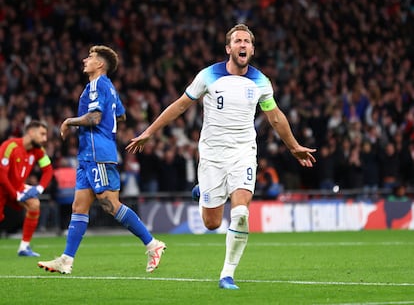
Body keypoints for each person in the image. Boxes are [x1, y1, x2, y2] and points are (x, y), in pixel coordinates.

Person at [126, 24, 316, 289]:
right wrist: (149, 132)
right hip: (213, 155)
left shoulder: (260, 81)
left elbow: (275, 117)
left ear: (252, 49)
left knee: (240, 214)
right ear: (229, 48)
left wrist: (294, 146)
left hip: (244, 153)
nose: (242, 45)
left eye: (247, 41)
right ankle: (202, 190)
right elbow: (180, 105)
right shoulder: (208, 75)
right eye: (237, 40)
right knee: (212, 223)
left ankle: (227, 274)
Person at [38, 45, 166, 274]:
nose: (85, 59)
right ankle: (66, 260)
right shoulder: (107, 87)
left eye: (90, 57)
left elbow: (95, 118)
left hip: (98, 153)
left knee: (109, 204)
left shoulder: (98, 84)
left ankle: (152, 244)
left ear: (100, 64)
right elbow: (121, 114)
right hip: (88, 154)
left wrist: (69, 121)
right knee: (79, 206)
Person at [0, 120, 53, 256]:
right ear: (30, 132)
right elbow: (1, 175)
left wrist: (39, 189)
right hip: (2, 186)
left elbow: (48, 170)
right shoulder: (10, 146)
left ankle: (24, 247)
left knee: (34, 204)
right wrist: (16, 195)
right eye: (42, 134)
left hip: (17, 187)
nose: (45, 139)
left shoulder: (38, 151)